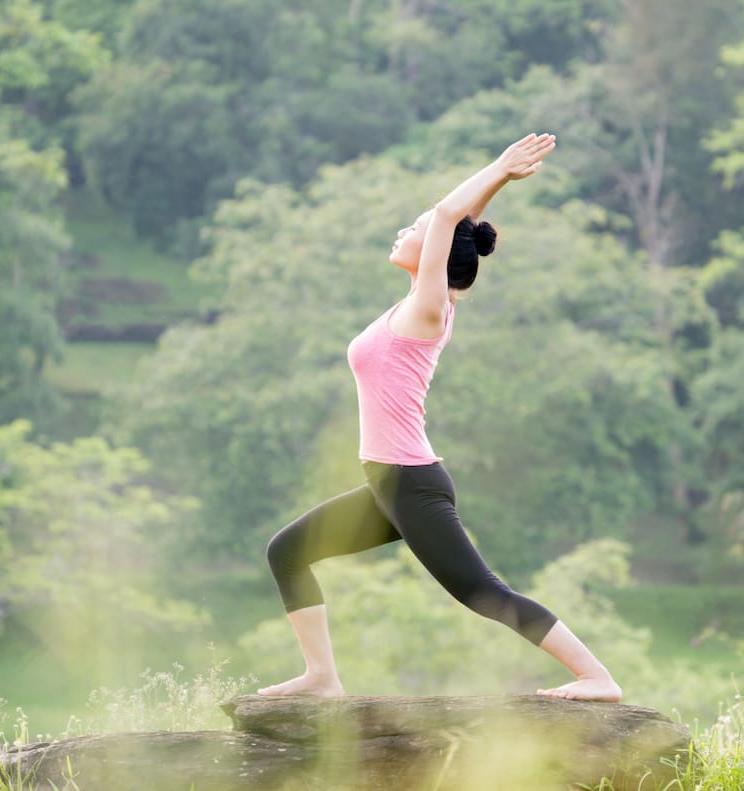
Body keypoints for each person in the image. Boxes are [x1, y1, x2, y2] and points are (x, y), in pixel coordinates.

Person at [258, 133, 622, 703]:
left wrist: (500, 169)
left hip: (411, 484)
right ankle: (322, 677)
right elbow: (454, 219)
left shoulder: (431, 308)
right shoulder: (412, 302)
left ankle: (597, 677)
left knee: (481, 591)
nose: (406, 230)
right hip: (387, 484)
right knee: (287, 551)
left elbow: (450, 215)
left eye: (417, 229)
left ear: (434, 252)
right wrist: (487, 192)